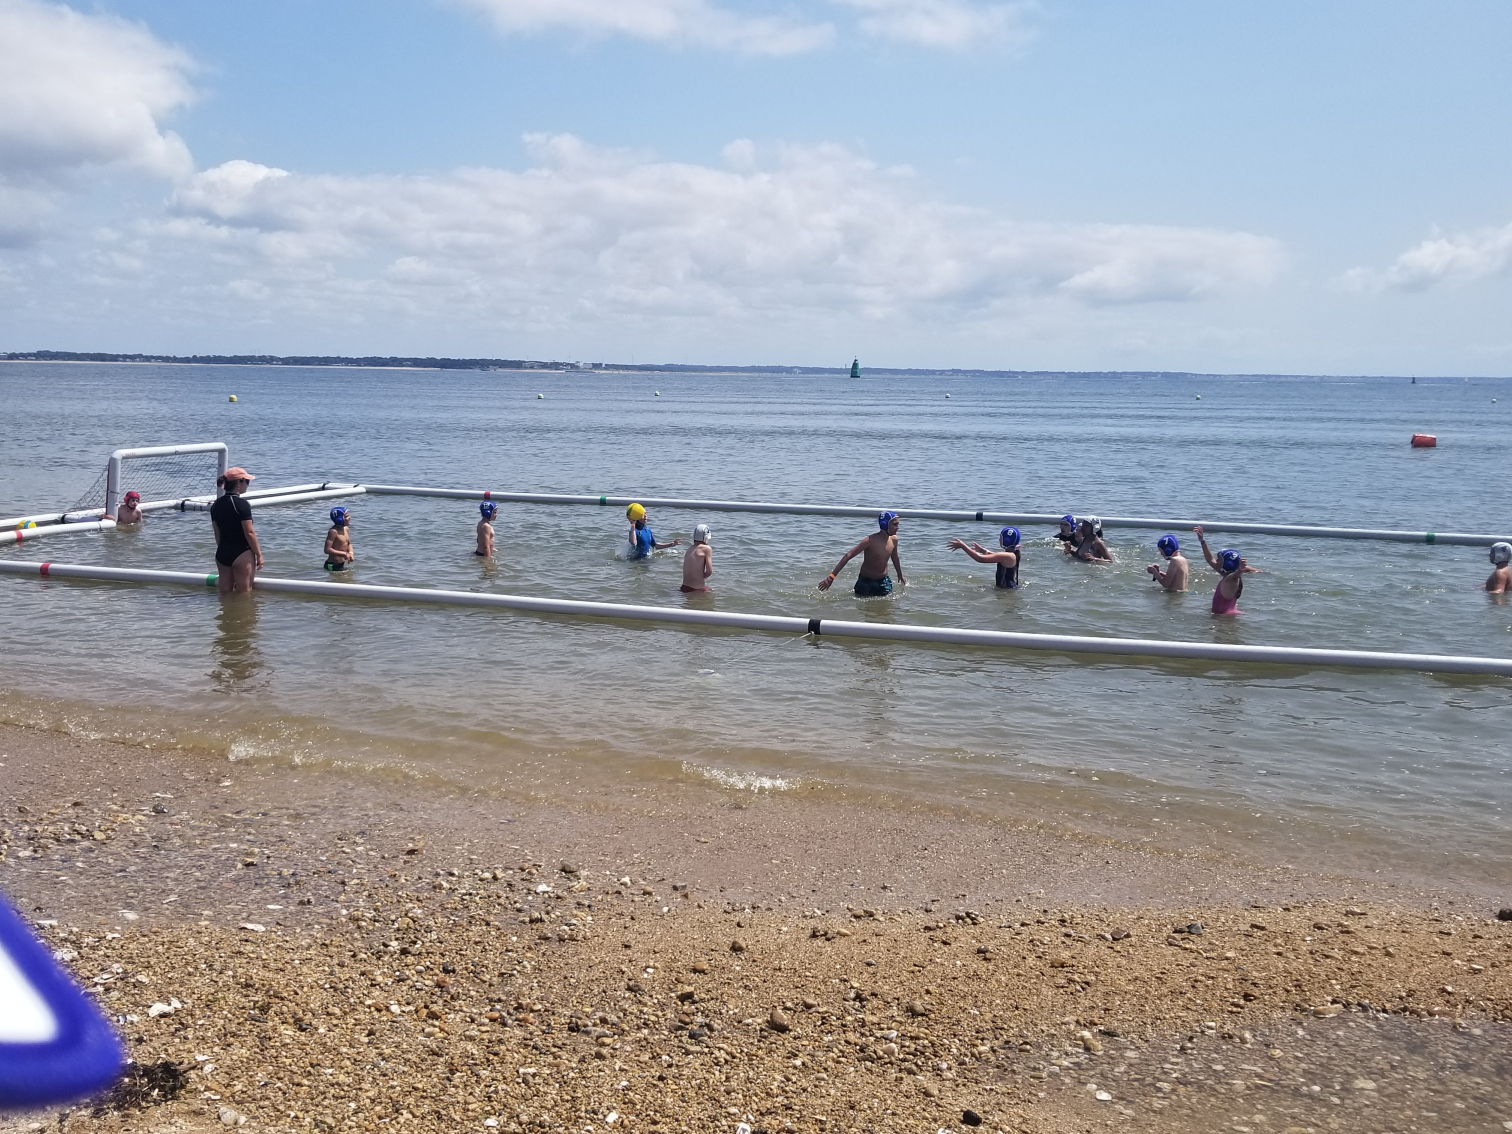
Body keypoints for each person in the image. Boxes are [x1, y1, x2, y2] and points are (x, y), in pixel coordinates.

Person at [819, 510, 906, 596]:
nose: (898, 527)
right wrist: (831, 577)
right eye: (895, 524)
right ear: (884, 524)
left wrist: (900, 575)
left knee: (887, 607)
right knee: (863, 608)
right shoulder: (870, 540)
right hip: (865, 582)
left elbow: (895, 558)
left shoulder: (894, 540)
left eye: (898, 524)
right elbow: (848, 556)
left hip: (883, 581)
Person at [209, 467, 262, 595]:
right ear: (239, 482)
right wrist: (259, 554)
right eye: (247, 482)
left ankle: (226, 614)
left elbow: (217, 533)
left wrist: (224, 549)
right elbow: (249, 532)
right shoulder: (242, 504)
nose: (247, 485)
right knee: (244, 594)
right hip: (241, 553)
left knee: (225, 593)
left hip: (222, 552)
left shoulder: (216, 505)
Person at [1193, 525, 1250, 615]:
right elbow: (1209, 559)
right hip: (1227, 615)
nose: (1216, 560)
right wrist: (1202, 540)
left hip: (1224, 619)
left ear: (1226, 564)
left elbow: (1235, 576)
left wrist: (1240, 570)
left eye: (1219, 559)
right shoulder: (1225, 574)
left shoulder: (1231, 579)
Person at [947, 526, 1022, 589]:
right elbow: (993, 554)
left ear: (1006, 541)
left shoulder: (1008, 556)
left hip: (1007, 592)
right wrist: (981, 550)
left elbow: (980, 558)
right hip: (1007, 589)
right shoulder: (1011, 554)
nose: (999, 540)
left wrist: (963, 546)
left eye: (1001, 538)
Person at [681, 523, 714, 592]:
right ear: (706, 537)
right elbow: (709, 571)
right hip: (696, 589)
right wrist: (700, 578)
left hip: (684, 587)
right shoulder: (707, 549)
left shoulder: (690, 548)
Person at [324, 506, 355, 571]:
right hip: (332, 565)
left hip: (341, 564)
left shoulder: (346, 529)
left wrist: (351, 552)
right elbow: (327, 549)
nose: (349, 518)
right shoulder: (333, 531)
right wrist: (344, 553)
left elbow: (349, 543)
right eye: (346, 516)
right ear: (339, 519)